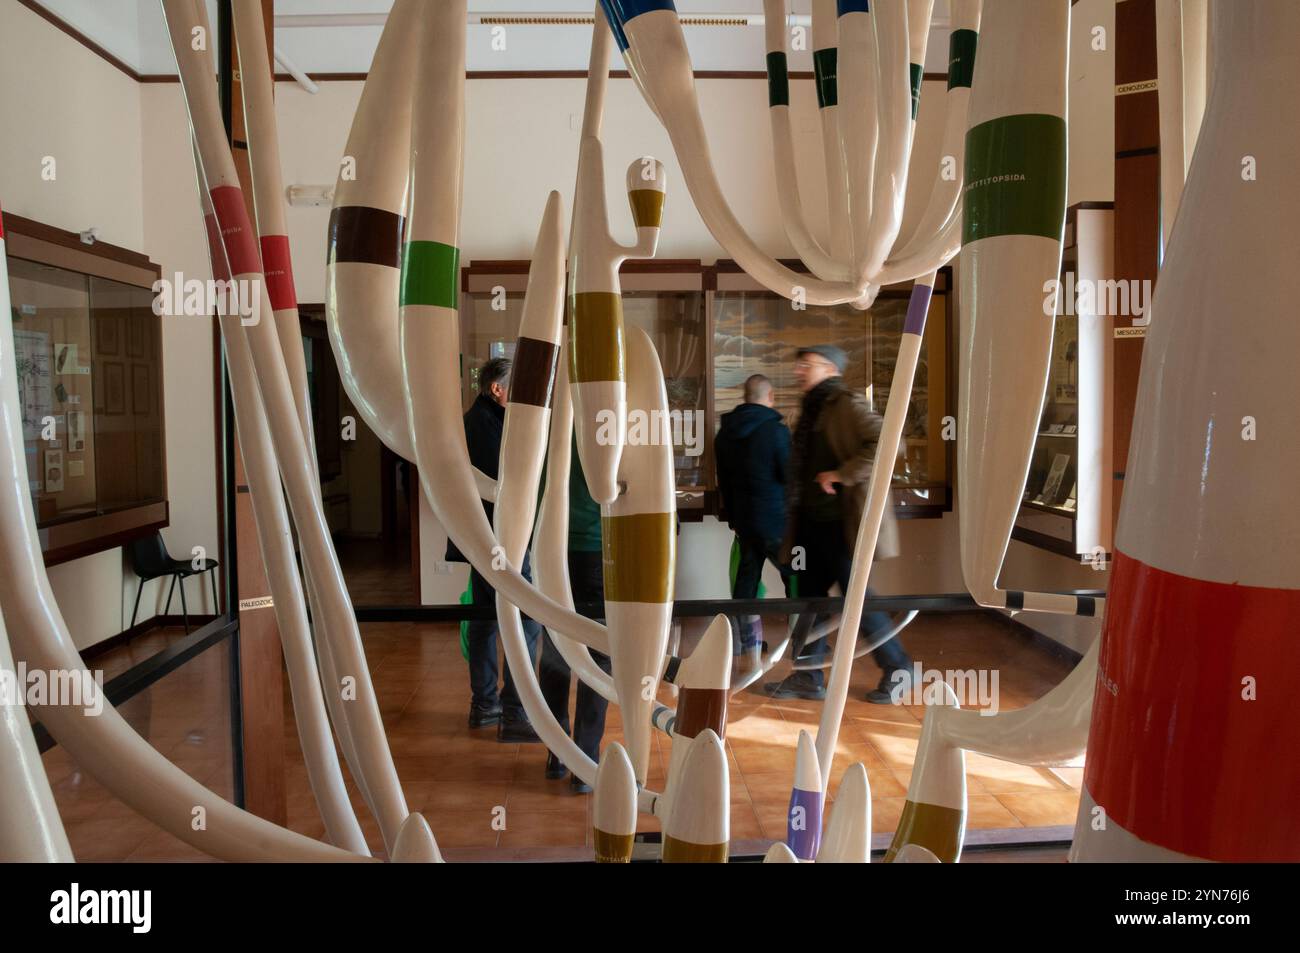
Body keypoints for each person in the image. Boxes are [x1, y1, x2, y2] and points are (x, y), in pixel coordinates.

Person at [764, 344, 914, 704]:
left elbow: (891, 442)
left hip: (840, 526)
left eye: (808, 365)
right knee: (810, 602)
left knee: (856, 600)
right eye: (799, 364)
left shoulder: (845, 404)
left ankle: (899, 669)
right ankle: (807, 676)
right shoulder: (813, 407)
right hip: (813, 524)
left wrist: (843, 474)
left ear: (831, 369)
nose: (800, 370)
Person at [448, 357, 542, 742]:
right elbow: (506, 485)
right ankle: (517, 710)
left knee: (488, 621)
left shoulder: (478, 421)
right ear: (497, 390)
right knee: (528, 620)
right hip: (500, 542)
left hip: (485, 539)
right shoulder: (486, 426)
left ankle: (486, 704)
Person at [538, 439, 611, 793]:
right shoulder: (605, 416)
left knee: (555, 646)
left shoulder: (548, 417)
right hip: (597, 546)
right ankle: (585, 759)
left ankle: (557, 753)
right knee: (598, 652)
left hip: (550, 546)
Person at [714, 374, 792, 651]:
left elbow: (723, 480)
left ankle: (741, 642)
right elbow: (788, 475)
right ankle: (804, 643)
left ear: (745, 397)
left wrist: (734, 517)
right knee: (797, 577)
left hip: (744, 523)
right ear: (769, 397)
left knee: (745, 584)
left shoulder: (725, 433)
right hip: (776, 522)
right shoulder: (776, 431)